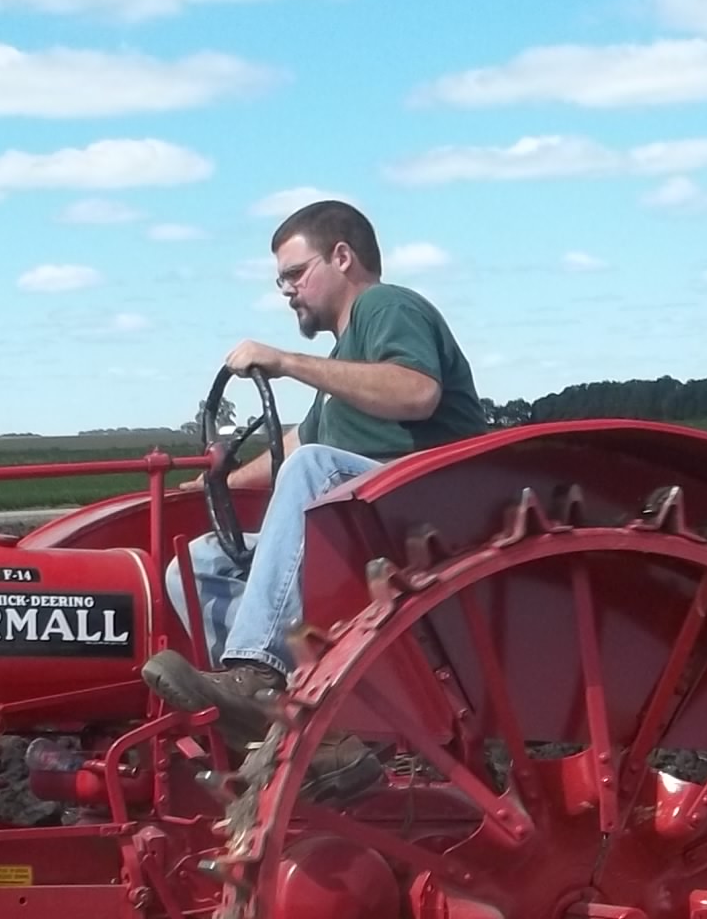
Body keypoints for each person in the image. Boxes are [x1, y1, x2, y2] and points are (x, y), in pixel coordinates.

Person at [144, 199, 487, 748]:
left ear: (343, 257)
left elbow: (418, 392)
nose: (286, 290)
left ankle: (260, 678)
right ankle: (264, 726)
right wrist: (221, 482)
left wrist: (286, 362)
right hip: (373, 528)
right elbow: (301, 439)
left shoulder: (386, 306)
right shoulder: (346, 363)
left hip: (436, 520)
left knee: (313, 471)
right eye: (281, 279)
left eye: (295, 274)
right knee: (203, 560)